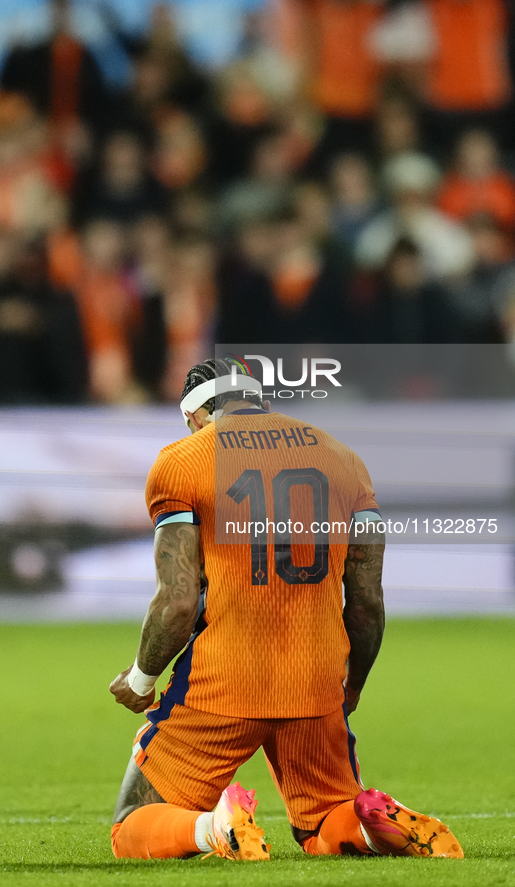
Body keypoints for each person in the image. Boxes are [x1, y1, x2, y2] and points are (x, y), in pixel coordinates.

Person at [108, 357, 464, 861]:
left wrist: (142, 680)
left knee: (131, 827)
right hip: (315, 680)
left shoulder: (183, 459)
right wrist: (352, 684)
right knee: (323, 825)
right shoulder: (343, 458)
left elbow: (178, 600)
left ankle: (215, 828)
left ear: (196, 415)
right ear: (260, 400)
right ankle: (370, 824)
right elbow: (365, 601)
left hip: (222, 682)